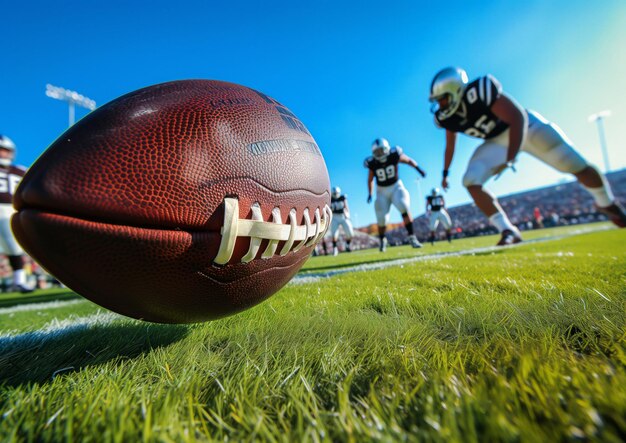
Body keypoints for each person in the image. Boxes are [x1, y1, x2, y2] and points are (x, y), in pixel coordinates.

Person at [428, 67, 626, 246]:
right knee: (470, 180)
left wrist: (511, 157)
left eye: (442, 98)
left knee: (574, 164)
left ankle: (606, 202)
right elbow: (450, 146)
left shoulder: (479, 91)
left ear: (455, 90)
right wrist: (445, 173)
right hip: (496, 141)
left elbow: (517, 116)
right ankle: (508, 230)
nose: (440, 105)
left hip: (525, 127)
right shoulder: (447, 117)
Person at [364, 138, 426, 252]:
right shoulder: (372, 163)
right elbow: (370, 179)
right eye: (376, 152)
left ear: (387, 149)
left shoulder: (394, 155)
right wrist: (370, 193)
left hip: (396, 186)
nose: (379, 154)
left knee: (403, 205)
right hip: (381, 190)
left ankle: (412, 237)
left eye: (381, 151)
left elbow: (408, 160)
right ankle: (382, 240)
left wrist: (418, 169)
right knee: (381, 219)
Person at [0, 135, 34, 293]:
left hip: (11, 209)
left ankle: (19, 281)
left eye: (5, 151)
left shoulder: (20, 170)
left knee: (14, 248)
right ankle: (18, 281)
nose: (3, 154)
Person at [329, 186, 355, 255]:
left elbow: (346, 206)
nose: (335, 194)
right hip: (334, 217)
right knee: (334, 234)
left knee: (350, 233)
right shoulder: (330, 199)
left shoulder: (342, 198)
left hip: (343, 216)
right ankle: (335, 249)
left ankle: (347, 244)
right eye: (334, 193)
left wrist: (348, 214)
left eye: (336, 193)